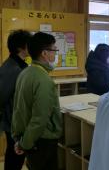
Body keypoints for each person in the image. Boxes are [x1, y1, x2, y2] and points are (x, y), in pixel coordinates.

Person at [12, 32, 63, 170]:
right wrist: (24, 144)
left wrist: (19, 140)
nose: (56, 54)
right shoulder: (43, 79)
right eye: (54, 50)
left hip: (30, 138)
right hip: (41, 141)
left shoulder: (25, 73)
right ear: (44, 53)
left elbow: (18, 110)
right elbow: (39, 119)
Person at [0, 30, 31, 170]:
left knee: (16, 156)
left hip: (15, 121)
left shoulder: (18, 65)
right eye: (28, 44)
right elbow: (2, 97)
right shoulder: (12, 69)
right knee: (15, 157)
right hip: (13, 122)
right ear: (20, 48)